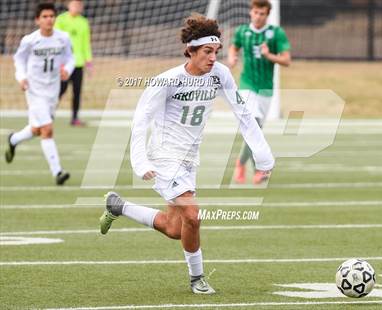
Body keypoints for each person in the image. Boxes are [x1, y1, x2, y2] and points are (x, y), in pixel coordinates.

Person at [99, 13, 274, 294]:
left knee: (175, 228)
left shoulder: (220, 75)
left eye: (216, 51)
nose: (213, 57)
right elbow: (141, 119)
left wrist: (263, 155)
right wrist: (139, 159)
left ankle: (118, 206)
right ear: (190, 51)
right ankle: (197, 279)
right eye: (207, 51)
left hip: (190, 159)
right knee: (193, 215)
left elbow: (243, 113)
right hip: (164, 155)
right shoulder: (167, 81)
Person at [5, 3, 74, 185]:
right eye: (44, 16)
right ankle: (58, 172)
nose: (49, 19)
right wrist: (21, 77)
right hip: (34, 91)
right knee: (47, 129)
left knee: (37, 130)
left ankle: (13, 140)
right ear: (37, 20)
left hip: (53, 90)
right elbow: (18, 59)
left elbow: (70, 58)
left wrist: (67, 69)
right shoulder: (30, 40)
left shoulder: (63, 38)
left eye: (52, 16)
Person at [228, 0, 291, 184]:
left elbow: (287, 60)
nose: (258, 16)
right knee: (253, 123)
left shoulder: (275, 33)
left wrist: (269, 55)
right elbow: (234, 46)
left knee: (256, 131)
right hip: (247, 85)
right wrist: (232, 58)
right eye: (255, 12)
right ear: (251, 12)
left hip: (266, 89)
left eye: (262, 13)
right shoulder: (242, 31)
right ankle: (251, 167)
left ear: (267, 14)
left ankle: (244, 163)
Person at [55, 0, 92, 126]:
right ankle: (49, 114)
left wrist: (89, 61)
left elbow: (86, 43)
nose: (77, 7)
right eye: (75, 4)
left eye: (79, 5)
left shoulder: (84, 22)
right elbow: (56, 40)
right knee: (61, 89)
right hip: (64, 64)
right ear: (68, 5)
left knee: (77, 92)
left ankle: (75, 118)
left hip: (78, 63)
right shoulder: (60, 20)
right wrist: (58, 61)